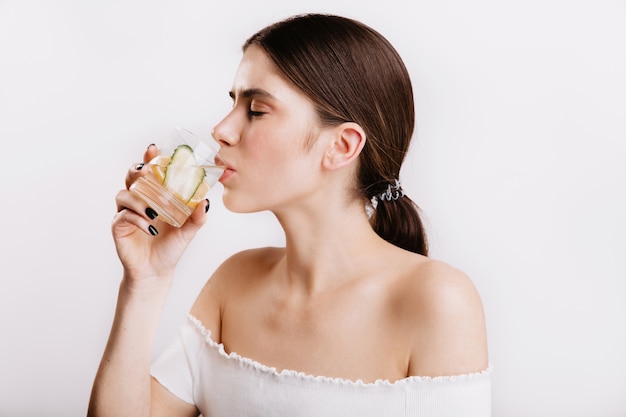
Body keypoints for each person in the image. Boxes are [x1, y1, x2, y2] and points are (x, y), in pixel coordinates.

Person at [88, 13, 491, 417]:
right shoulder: (235, 281)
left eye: (257, 110)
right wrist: (145, 281)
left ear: (342, 146)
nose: (221, 130)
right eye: (233, 103)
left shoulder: (438, 302)